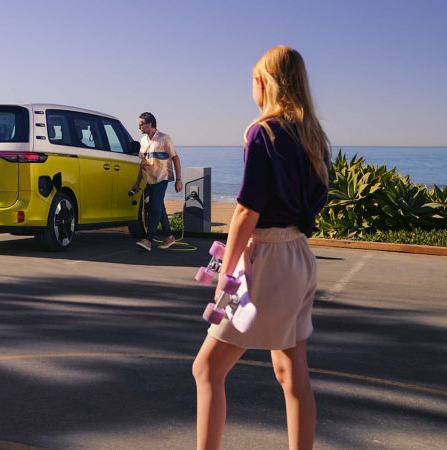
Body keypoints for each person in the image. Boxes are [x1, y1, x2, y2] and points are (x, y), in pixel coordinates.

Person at [192, 45, 330, 450]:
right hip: (299, 257)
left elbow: (246, 211)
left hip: (265, 259)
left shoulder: (263, 132)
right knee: (293, 375)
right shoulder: (315, 138)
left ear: (264, 82)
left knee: (207, 369)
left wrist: (225, 272)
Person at [130, 112, 182, 251]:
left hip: (162, 177)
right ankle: (169, 236)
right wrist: (137, 183)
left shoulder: (164, 138)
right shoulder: (143, 141)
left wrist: (179, 180)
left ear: (150, 124)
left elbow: (176, 158)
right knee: (160, 208)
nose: (139, 126)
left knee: (154, 207)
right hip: (149, 179)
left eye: (141, 124)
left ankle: (148, 239)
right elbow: (143, 164)